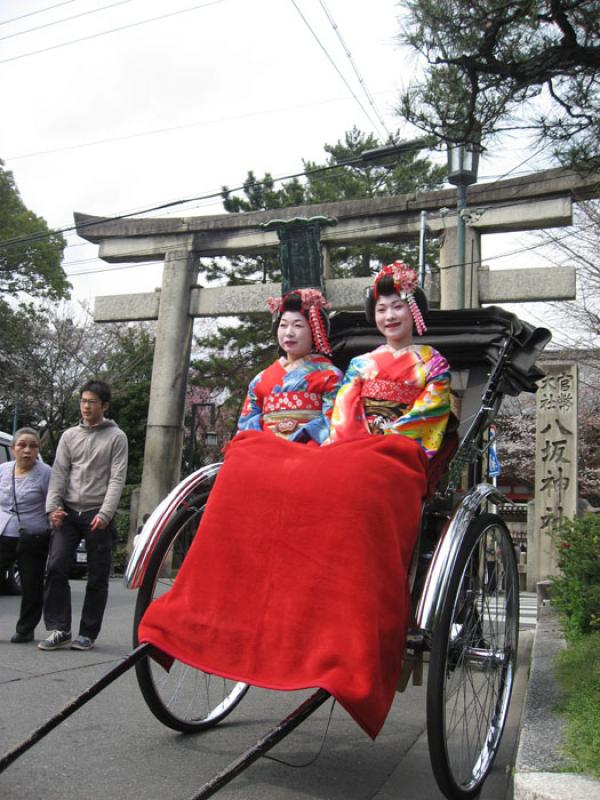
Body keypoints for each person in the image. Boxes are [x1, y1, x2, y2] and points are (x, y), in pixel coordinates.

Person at [139, 264, 451, 739]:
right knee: (248, 463)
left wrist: (382, 438)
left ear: (414, 313)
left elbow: (429, 414)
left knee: (357, 479)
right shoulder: (361, 366)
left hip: (397, 452)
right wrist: (349, 440)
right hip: (351, 445)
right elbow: (345, 412)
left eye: (396, 307)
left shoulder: (433, 363)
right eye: (381, 308)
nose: (388, 315)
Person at [39, 380, 128, 652]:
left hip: (97, 514)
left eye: (92, 401)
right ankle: (59, 629)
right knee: (55, 567)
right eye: (83, 401)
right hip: (68, 512)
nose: (86, 406)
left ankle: (87, 633)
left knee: (97, 576)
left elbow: (117, 478)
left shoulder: (116, 437)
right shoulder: (69, 436)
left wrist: (105, 513)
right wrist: (52, 508)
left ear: (104, 405)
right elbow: (59, 473)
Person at [237, 287, 342, 443]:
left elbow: (334, 423)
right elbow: (247, 424)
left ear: (315, 330)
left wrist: (298, 438)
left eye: (298, 326)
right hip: (266, 447)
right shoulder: (260, 379)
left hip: (310, 447)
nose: (289, 333)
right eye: (283, 325)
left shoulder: (330, 375)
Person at [0, 428, 52, 643]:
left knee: (31, 583)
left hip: (34, 535)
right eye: (22, 445)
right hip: (3, 531)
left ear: (38, 450)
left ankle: (25, 629)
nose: (27, 450)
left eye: (33, 446)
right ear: (13, 449)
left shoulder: (46, 473)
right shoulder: (3, 469)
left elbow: (53, 502)